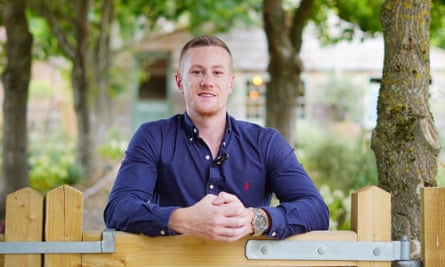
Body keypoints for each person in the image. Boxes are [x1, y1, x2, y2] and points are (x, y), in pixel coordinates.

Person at [104, 35, 329, 242]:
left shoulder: (266, 142)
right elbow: (119, 209)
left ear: (230, 83)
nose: (207, 81)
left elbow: (316, 210)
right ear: (180, 82)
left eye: (217, 72)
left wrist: (254, 219)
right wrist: (185, 220)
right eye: (197, 72)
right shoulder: (153, 137)